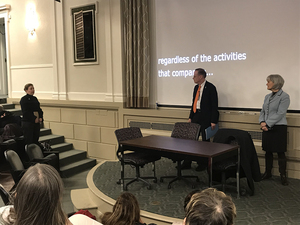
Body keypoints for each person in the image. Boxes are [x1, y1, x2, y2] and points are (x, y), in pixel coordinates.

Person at [181, 68, 219, 171]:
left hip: (206, 117)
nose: (193, 78)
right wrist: (190, 117)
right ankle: (187, 162)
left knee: (205, 142)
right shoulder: (195, 88)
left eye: (194, 76)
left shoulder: (211, 88)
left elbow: (214, 105)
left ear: (200, 77)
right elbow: (193, 103)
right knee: (191, 140)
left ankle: (203, 163)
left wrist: (213, 120)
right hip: (196, 115)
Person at [259, 74, 290, 186]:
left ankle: (283, 175)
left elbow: (281, 113)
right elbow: (262, 111)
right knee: (268, 150)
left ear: (275, 82)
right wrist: (262, 122)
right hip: (266, 126)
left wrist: (267, 123)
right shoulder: (267, 96)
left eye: (269, 81)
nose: (267, 83)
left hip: (278, 127)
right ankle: (268, 172)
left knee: (280, 152)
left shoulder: (284, 96)